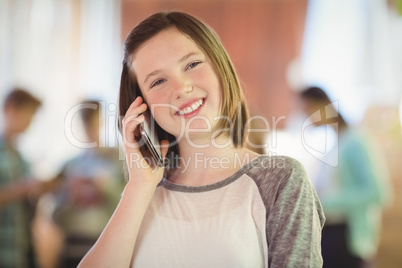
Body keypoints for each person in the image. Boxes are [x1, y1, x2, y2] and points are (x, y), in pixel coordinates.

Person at [79, 11, 325, 268]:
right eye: (158, 81)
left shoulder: (280, 180)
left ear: (220, 66)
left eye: (192, 64)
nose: (181, 87)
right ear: (142, 107)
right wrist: (138, 188)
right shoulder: (142, 194)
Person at [298, 86, 392, 268]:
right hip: (330, 236)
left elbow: (379, 192)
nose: (306, 116)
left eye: (307, 108)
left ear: (323, 105)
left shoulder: (357, 141)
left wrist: (326, 202)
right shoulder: (334, 146)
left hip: (347, 239)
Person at [51, 100, 125, 268]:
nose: (89, 126)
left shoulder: (121, 161)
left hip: (109, 247)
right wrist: (72, 197)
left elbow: (132, 206)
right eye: (85, 120)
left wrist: (103, 188)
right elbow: (55, 217)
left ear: (102, 121)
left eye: (93, 120)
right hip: (71, 249)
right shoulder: (68, 166)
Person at [0, 88, 50, 268]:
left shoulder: (22, 159)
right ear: (11, 109)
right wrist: (23, 188)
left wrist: (38, 191)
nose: (30, 122)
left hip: (21, 251)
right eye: (28, 114)